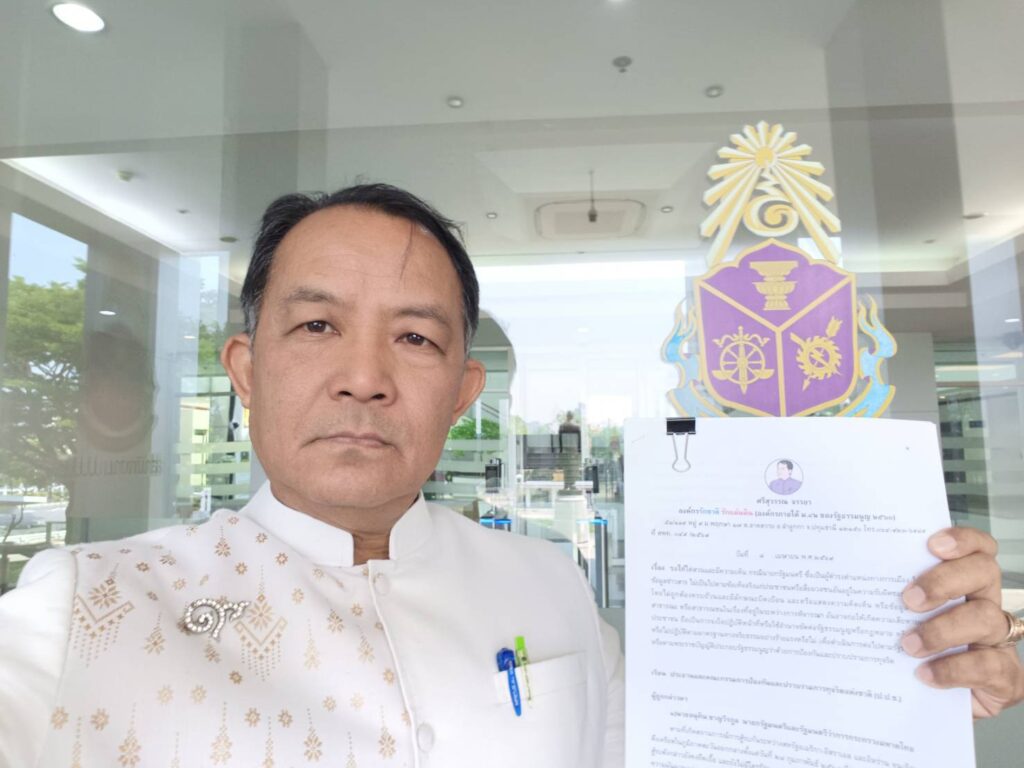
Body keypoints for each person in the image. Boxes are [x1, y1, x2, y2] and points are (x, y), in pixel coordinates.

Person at [0, 184, 1021, 768]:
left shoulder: (548, 583)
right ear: (245, 370)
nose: (363, 377)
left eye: (414, 338)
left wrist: (916, 674)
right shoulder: (89, 604)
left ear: (461, 392)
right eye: (315, 327)